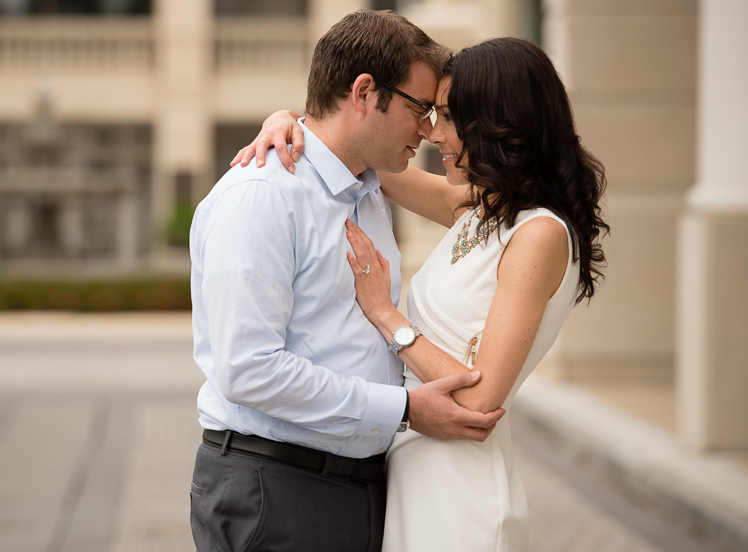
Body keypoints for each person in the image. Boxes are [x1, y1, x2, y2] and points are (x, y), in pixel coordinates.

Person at [233, 36, 609, 551]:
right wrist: (288, 121)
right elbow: (358, 147)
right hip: (412, 473)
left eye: (449, 116)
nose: (433, 133)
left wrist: (387, 316)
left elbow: (479, 399)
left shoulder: (538, 234)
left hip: (461, 487)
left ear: (498, 123)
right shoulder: (479, 209)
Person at [189, 10, 506, 552]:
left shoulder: (371, 187)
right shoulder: (262, 196)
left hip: (355, 488)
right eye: (420, 108)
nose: (429, 130)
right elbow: (247, 368)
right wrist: (405, 410)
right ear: (364, 91)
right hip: (277, 489)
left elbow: (477, 199)